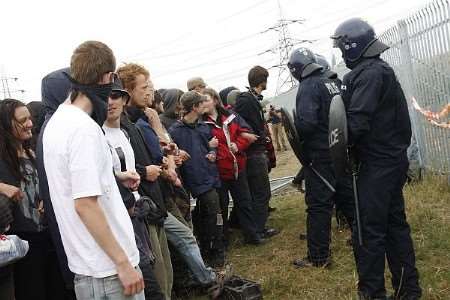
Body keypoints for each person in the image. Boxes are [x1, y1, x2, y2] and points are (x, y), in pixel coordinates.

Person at [42, 41, 144, 300]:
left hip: (87, 268)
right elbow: (85, 204)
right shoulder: (83, 130)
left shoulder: (58, 122)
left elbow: (71, 185)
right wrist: (122, 262)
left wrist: (114, 177)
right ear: (107, 77)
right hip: (109, 272)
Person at [332, 18, 422, 299]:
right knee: (395, 226)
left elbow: (356, 123)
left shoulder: (368, 73)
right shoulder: (377, 69)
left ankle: (372, 293)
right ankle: (408, 290)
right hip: (390, 161)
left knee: (368, 233)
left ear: (351, 45)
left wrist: (342, 149)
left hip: (377, 165)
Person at [287, 47, 355, 268]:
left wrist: (294, 127)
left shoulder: (308, 86)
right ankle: (363, 238)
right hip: (340, 150)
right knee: (348, 198)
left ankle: (318, 258)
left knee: (318, 205)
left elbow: (307, 125)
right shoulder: (332, 81)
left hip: (320, 155)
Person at [169, 91, 225, 268]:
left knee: (215, 214)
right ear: (194, 107)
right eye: (201, 103)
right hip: (193, 182)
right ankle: (212, 250)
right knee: (209, 214)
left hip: (210, 177)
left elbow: (211, 146)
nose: (205, 106)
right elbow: (173, 156)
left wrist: (212, 152)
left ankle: (217, 248)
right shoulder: (175, 131)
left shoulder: (203, 127)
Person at [201, 87, 263, 245]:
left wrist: (238, 145)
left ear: (215, 100)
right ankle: (223, 239)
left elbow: (246, 133)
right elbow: (200, 146)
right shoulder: (201, 124)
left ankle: (252, 235)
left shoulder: (231, 117)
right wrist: (209, 147)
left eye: (206, 99)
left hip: (237, 169)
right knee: (221, 208)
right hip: (218, 173)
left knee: (244, 202)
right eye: (200, 101)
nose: (203, 103)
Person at [234, 66, 279, 239]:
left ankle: (255, 228)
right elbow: (246, 126)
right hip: (253, 152)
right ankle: (258, 229)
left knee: (257, 192)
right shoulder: (246, 100)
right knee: (261, 192)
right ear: (262, 81)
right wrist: (260, 136)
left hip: (255, 150)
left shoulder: (250, 99)